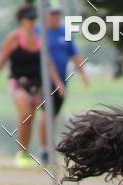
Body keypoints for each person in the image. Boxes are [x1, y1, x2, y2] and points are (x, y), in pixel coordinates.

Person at [0, 4, 64, 168]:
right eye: (29, 19)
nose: (31, 22)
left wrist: (58, 83)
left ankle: (29, 152)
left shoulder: (39, 39)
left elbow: (48, 63)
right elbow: (1, 60)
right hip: (18, 82)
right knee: (25, 114)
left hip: (36, 84)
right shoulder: (13, 39)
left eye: (34, 19)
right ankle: (21, 153)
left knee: (33, 118)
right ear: (21, 21)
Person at [36, 2, 90, 164]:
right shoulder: (39, 31)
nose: (55, 18)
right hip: (44, 80)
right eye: (52, 14)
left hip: (62, 79)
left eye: (57, 14)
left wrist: (83, 74)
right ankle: (44, 150)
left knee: (53, 115)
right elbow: (46, 60)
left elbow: (74, 54)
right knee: (46, 113)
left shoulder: (65, 32)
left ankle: (49, 148)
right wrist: (56, 81)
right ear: (45, 15)